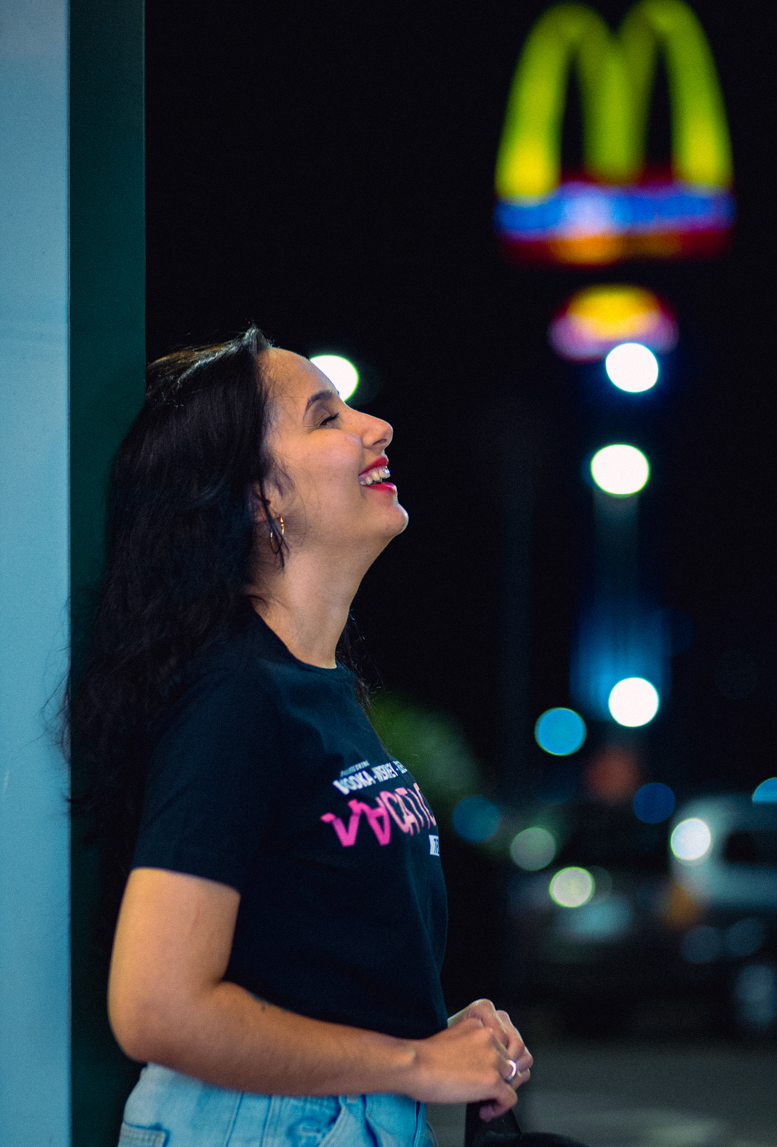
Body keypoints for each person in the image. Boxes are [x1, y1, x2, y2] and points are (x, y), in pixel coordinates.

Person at [68, 328, 532, 1147]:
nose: (376, 426)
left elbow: (303, 969)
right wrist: (416, 1065)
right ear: (257, 498)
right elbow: (156, 1007)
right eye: (326, 418)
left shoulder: (313, 688)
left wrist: (435, 1037)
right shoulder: (236, 696)